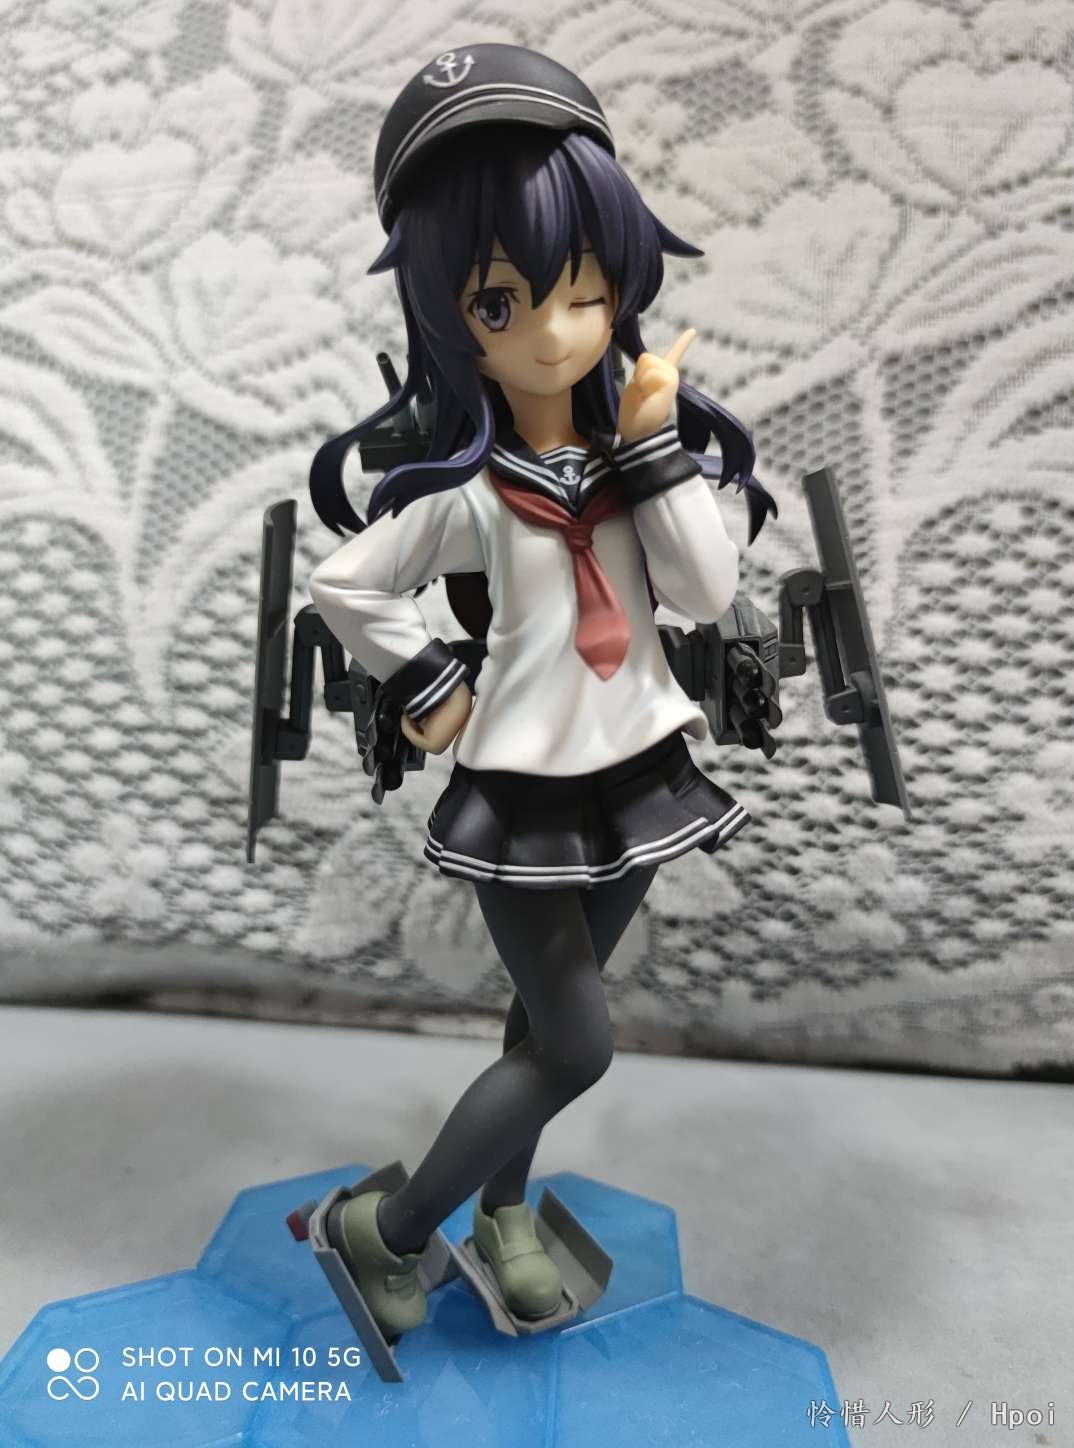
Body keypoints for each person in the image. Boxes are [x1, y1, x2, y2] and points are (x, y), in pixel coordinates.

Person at [307, 43, 774, 1340]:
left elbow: (701, 590)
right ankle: (388, 1229)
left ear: (618, 283)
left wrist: (658, 447)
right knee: (577, 1044)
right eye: (502, 303)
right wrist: (427, 676)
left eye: (584, 291)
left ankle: (505, 1212)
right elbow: (345, 583)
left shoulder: (632, 466)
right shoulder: (469, 490)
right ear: (450, 317)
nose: (556, 332)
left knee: (538, 1022)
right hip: (520, 787)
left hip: (636, 771)